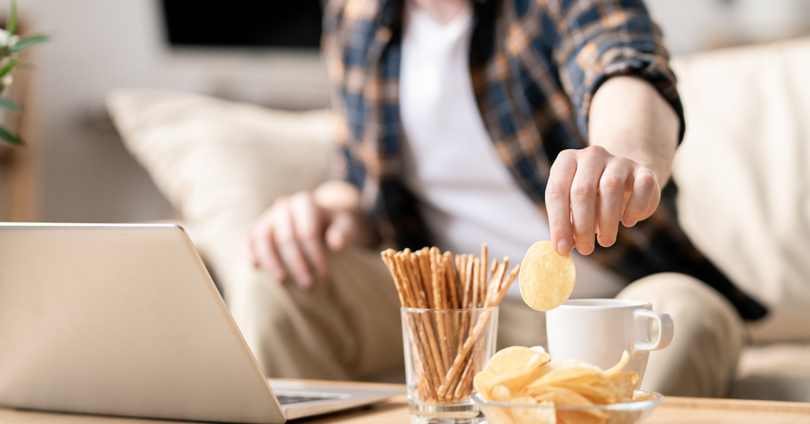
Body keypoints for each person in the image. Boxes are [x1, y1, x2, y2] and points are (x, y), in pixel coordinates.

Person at [244, 0, 767, 397]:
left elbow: (623, 63)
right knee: (281, 283)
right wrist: (325, 212)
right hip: (455, 313)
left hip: (611, 301)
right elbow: (357, 182)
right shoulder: (354, 14)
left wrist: (619, 154)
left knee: (688, 317)